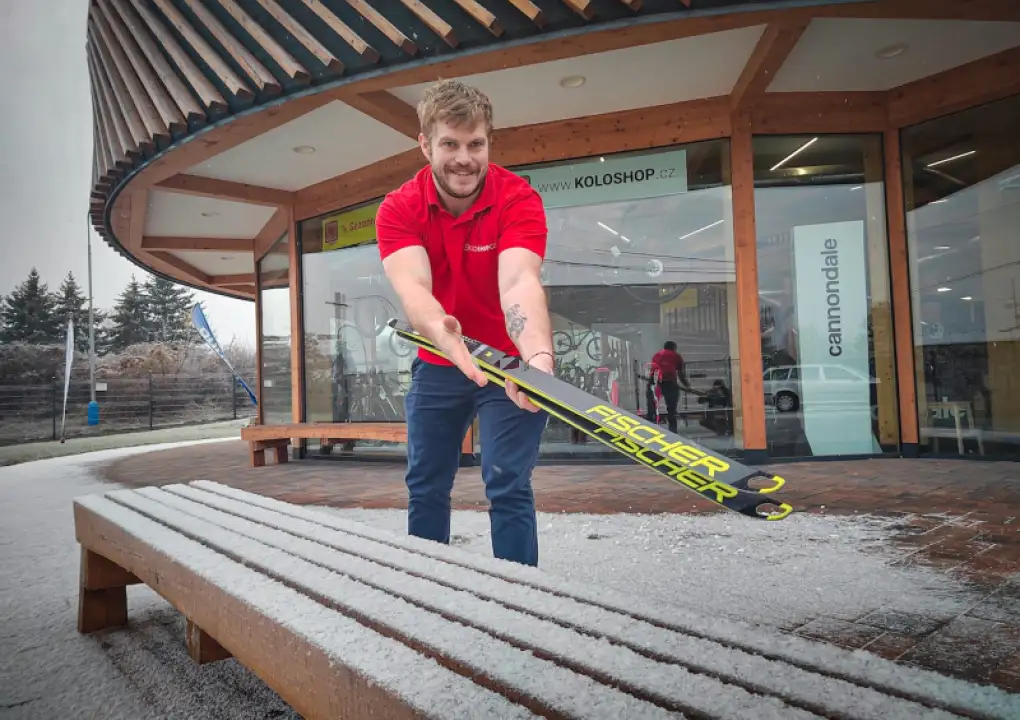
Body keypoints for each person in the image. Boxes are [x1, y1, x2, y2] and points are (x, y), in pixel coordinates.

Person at [375, 79, 554, 567]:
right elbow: (414, 289)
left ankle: (522, 599)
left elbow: (519, 281)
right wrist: (442, 333)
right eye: (450, 144)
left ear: (488, 142)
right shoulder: (399, 208)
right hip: (438, 361)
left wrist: (538, 356)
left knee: (508, 483)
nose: (464, 158)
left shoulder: (518, 199)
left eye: (475, 144)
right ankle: (431, 592)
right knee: (426, 483)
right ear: (425, 144)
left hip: (508, 364)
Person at [651, 340, 688, 434]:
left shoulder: (656, 355)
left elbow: (653, 369)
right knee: (671, 408)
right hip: (670, 383)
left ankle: (652, 427)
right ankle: (673, 430)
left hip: (657, 382)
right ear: (674, 348)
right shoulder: (676, 356)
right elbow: (680, 373)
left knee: (653, 407)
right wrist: (686, 384)